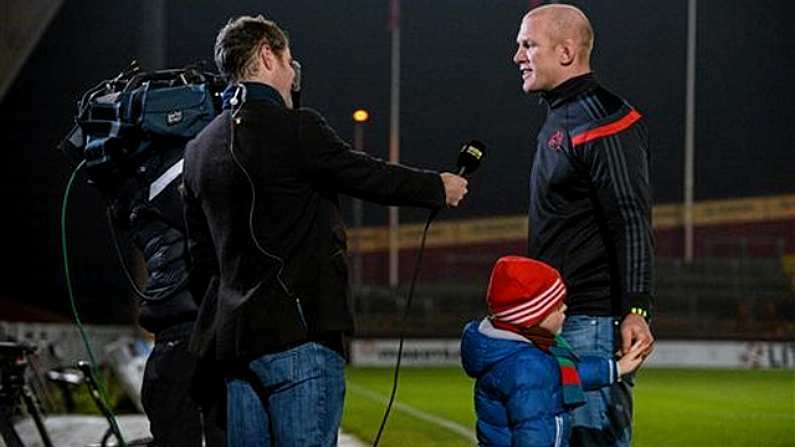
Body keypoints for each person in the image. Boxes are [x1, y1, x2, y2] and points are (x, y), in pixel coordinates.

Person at [181, 15, 468, 447]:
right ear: (266, 55)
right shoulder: (298, 128)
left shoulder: (198, 147)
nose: (294, 70)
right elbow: (367, 175)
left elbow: (201, 260)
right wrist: (436, 187)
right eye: (289, 58)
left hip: (235, 346)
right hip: (300, 341)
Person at [512, 4, 655, 446]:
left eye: (528, 45)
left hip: (592, 325)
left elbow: (630, 216)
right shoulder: (561, 115)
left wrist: (636, 308)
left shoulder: (603, 116)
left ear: (567, 51)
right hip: (560, 322)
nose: (517, 56)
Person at [461, 256, 649, 447]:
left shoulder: (524, 351)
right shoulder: (528, 366)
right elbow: (534, 432)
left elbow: (567, 375)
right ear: (534, 317)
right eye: (557, 306)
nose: (565, 308)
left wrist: (616, 368)